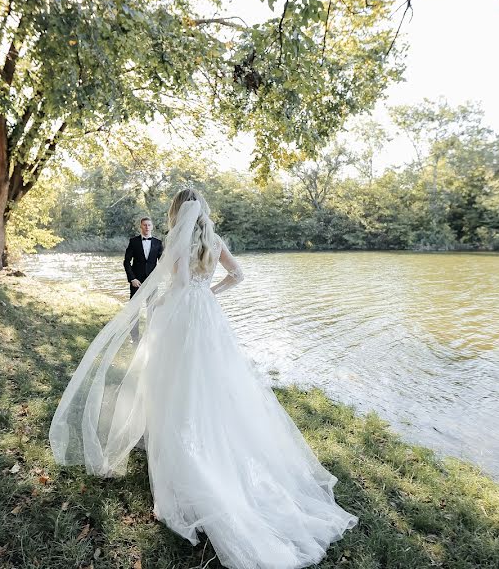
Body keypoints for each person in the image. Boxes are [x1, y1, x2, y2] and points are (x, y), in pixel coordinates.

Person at [50, 188, 357, 569]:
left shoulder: (176, 244)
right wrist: (210, 291)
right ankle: (214, 444)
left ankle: (184, 463)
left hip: (182, 319)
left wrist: (158, 304)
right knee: (214, 386)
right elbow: (237, 275)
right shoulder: (215, 240)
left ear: (177, 211)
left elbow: (172, 287)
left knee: (173, 386)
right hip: (208, 317)